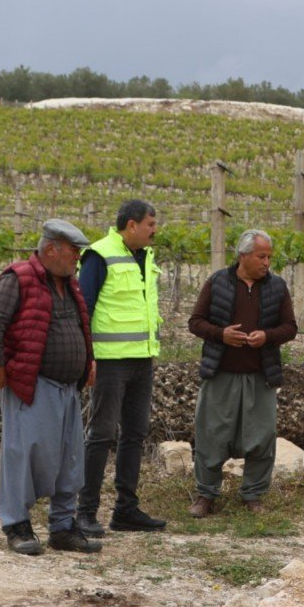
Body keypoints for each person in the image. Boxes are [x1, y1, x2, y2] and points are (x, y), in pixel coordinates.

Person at [0, 219, 99, 556]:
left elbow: (80, 325)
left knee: (69, 458)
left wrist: (87, 360)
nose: (77, 258)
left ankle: (62, 527)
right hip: (31, 383)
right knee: (23, 455)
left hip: (67, 387)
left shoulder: (68, 283)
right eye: (73, 251)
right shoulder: (18, 278)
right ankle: (16, 524)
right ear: (51, 249)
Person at [185, 229, 298, 516]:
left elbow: (290, 328)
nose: (266, 262)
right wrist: (221, 334)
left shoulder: (277, 287)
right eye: (262, 256)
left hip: (260, 376)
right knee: (211, 435)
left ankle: (253, 495)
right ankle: (205, 496)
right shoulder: (218, 283)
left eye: (269, 256)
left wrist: (267, 336)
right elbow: (196, 322)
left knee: (261, 437)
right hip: (221, 374)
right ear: (244, 255)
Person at [77, 199, 168, 536]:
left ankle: (125, 510)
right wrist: (88, 359)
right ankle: (85, 511)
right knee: (101, 434)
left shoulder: (146, 257)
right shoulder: (99, 255)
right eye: (150, 224)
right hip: (110, 362)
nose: (154, 230)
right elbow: (83, 309)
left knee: (135, 433)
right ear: (132, 225)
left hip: (142, 360)